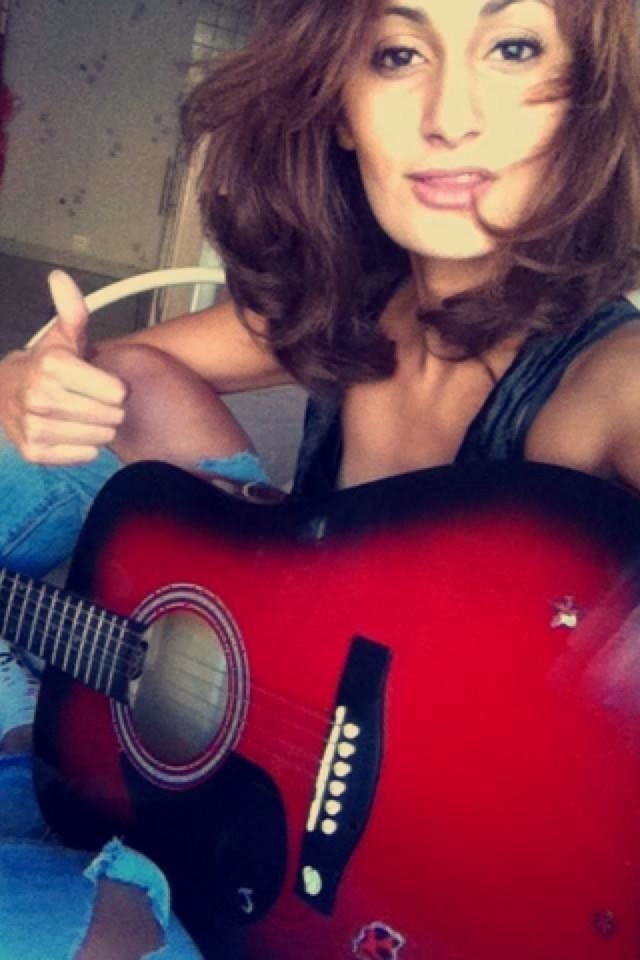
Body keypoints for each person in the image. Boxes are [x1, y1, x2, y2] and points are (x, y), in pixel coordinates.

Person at [1, 0, 640, 956]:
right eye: (398, 54)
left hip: (372, 916)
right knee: (122, 380)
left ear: (585, 100)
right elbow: (114, 374)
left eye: (512, 49)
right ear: (341, 107)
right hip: (241, 782)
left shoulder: (612, 382)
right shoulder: (351, 306)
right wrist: (24, 380)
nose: (450, 116)